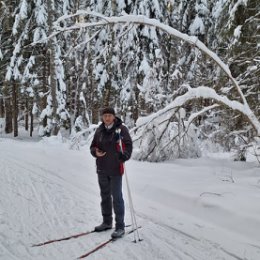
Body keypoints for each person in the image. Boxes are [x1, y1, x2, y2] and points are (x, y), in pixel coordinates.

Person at [90, 107, 133, 239]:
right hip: (102, 168)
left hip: (115, 168)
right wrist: (95, 152)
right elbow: (92, 146)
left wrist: (124, 156)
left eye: (109, 115)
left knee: (117, 198)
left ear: (114, 117)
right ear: (102, 117)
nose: (107, 118)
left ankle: (120, 226)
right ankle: (107, 222)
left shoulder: (121, 129)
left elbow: (128, 145)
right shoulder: (99, 130)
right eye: (105, 115)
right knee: (105, 197)